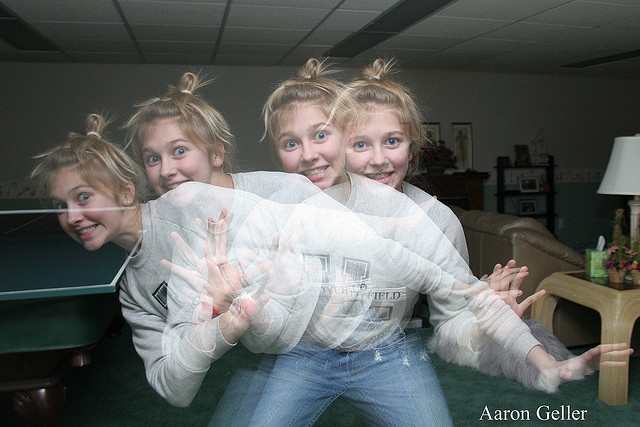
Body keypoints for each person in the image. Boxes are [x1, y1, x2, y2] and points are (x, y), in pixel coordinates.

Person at [343, 58, 578, 390]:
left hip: (384, 356)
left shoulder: (437, 221)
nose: (379, 159)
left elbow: (450, 321)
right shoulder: (313, 210)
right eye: (361, 144)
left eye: (393, 141)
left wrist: (483, 316)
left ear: (412, 149)